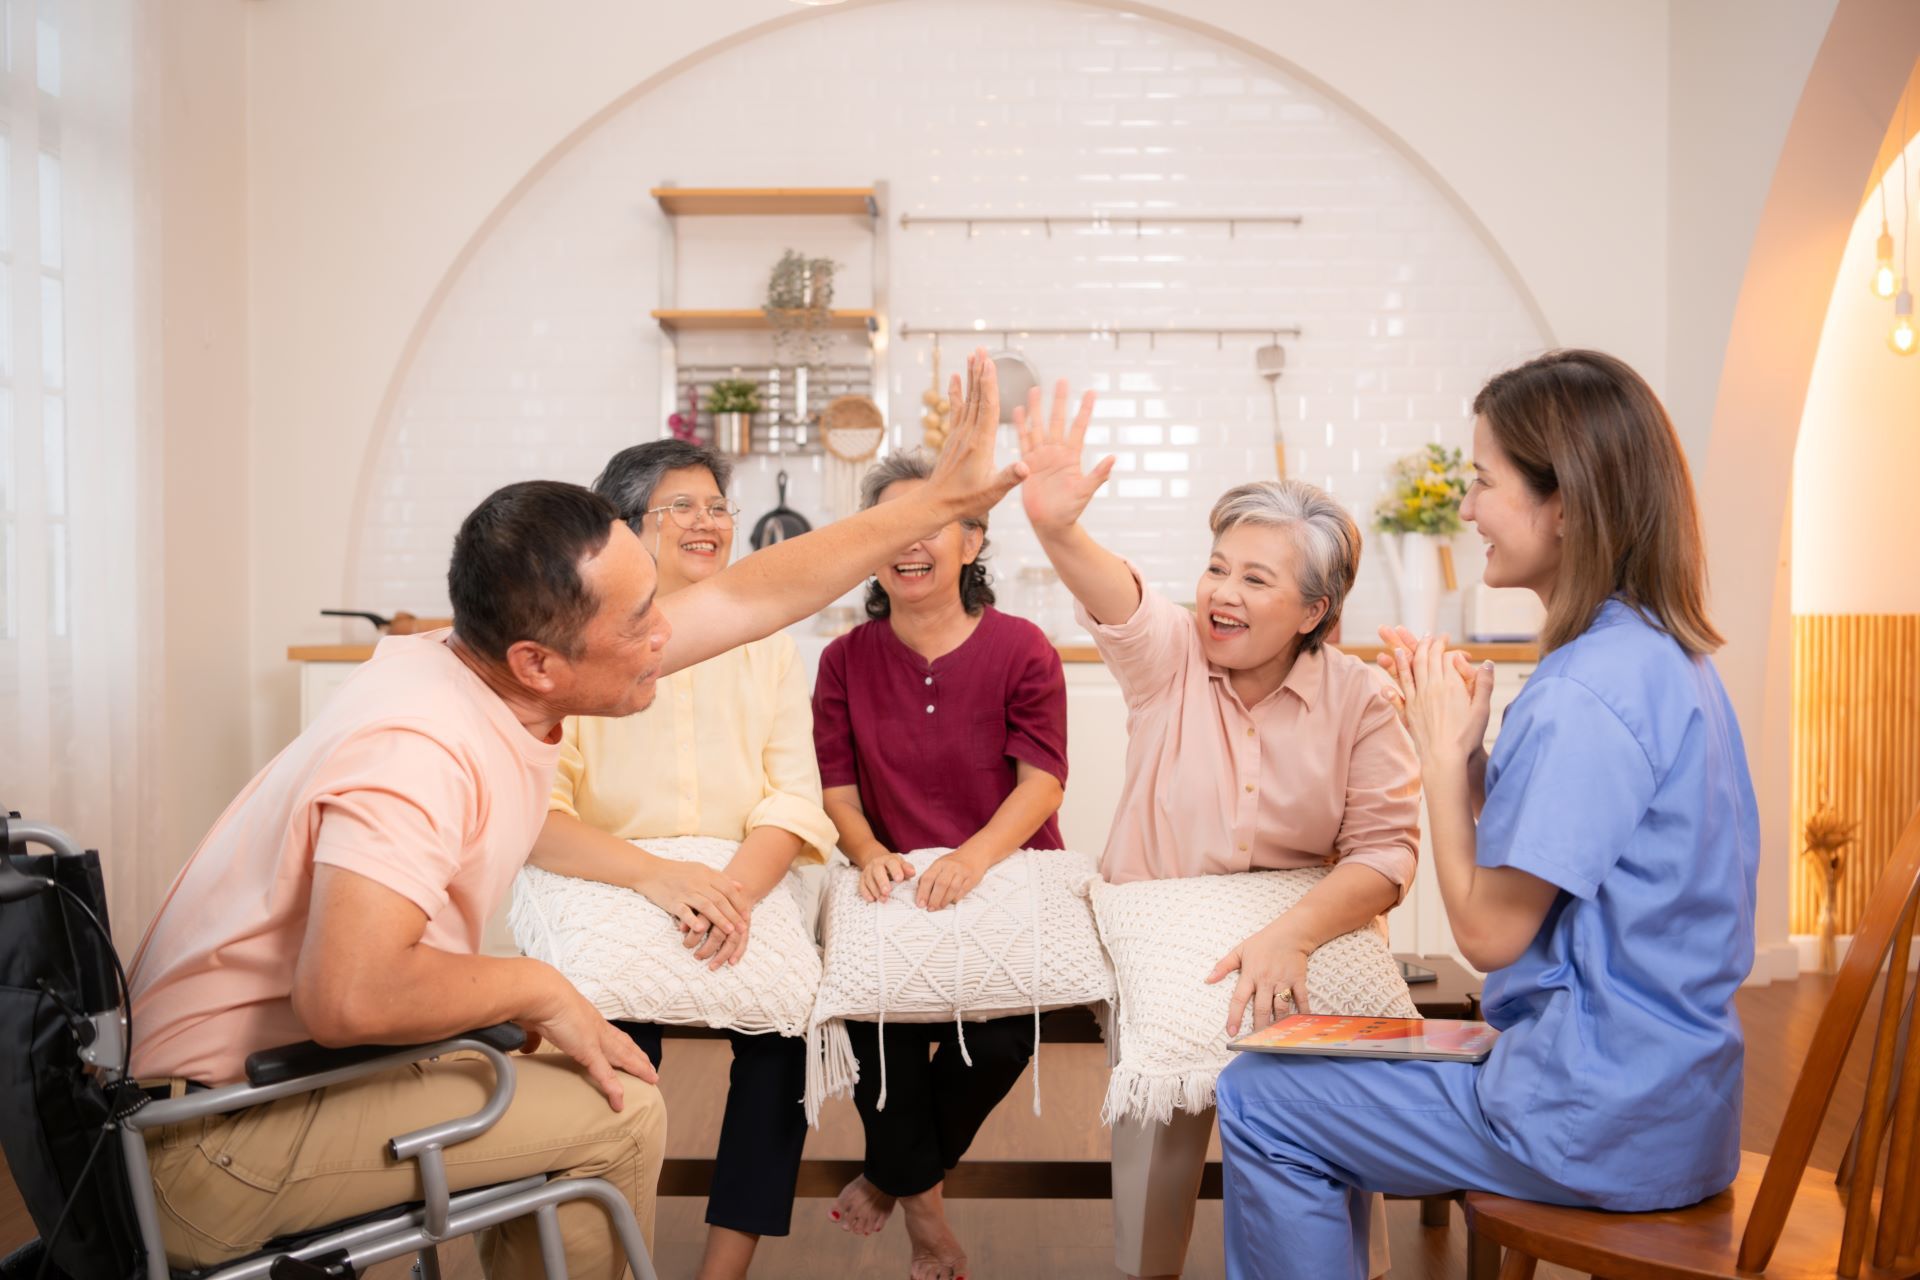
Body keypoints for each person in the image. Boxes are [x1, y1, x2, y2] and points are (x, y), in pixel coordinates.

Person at [124, 350, 1026, 1278]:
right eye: (639, 624)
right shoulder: (419, 748)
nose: (667, 636)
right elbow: (346, 994)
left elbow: (754, 598)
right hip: (213, 1142)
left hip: (260, 1091)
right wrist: (538, 989)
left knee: (573, 1096)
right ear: (540, 662)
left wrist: (924, 508)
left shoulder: (471, 664)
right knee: (620, 1117)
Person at [1214, 349, 1759, 1280]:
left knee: (1262, 1098)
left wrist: (1434, 755)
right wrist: (1466, 753)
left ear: (1567, 504)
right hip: (1677, 1105)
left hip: (1595, 1123)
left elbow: (1488, 934)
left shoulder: (1582, 693)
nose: (1465, 510)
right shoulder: (1663, 660)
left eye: (1482, 482)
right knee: (1314, 1071)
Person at [1012, 381, 1420, 1280]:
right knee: (1160, 1159)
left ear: (1314, 611)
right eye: (1216, 567)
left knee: (1329, 1151)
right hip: (1164, 947)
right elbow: (1121, 601)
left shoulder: (1363, 699)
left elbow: (1387, 855)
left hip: (1303, 943)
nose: (1220, 594)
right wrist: (1059, 530)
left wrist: (1288, 938)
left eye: (1255, 579)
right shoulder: (1171, 660)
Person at [528, 438, 837, 1280]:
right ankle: (610, 1254)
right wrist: (660, 879)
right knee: (618, 1043)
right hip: (615, 876)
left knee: (782, 1042)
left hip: (741, 878)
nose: (707, 522)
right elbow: (538, 818)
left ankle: (721, 1272)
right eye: (682, 507)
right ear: (626, 530)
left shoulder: (769, 642)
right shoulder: (580, 646)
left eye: (716, 507)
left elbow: (792, 797)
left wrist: (733, 892)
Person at [813, 449, 1069, 1280]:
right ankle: (929, 1225)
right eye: (893, 527)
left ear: (973, 539)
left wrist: (973, 858)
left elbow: (1043, 784)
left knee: (996, 1048)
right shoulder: (843, 660)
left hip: (1003, 880)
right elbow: (839, 793)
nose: (912, 545)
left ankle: (891, 1178)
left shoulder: (1023, 648)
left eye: (934, 525)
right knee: (879, 1032)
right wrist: (869, 852)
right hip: (892, 892)